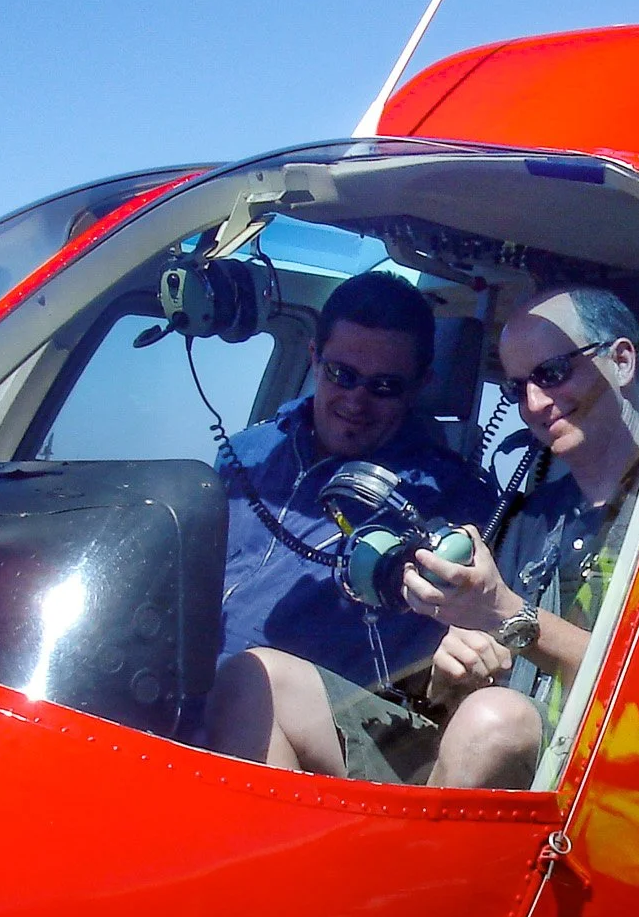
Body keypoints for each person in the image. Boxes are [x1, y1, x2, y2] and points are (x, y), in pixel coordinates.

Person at [212, 285, 639, 788]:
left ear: (620, 362)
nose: (534, 403)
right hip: (453, 738)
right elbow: (460, 679)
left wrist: (506, 618)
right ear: (315, 360)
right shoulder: (527, 519)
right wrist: (454, 667)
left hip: (585, 777)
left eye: (552, 373)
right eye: (517, 387)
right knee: (255, 680)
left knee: (495, 721)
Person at [209, 270, 497, 697]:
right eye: (342, 375)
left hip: (303, 724)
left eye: (384, 386)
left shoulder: (453, 503)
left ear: (421, 385)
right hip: (176, 689)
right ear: (314, 358)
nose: (356, 400)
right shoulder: (249, 452)